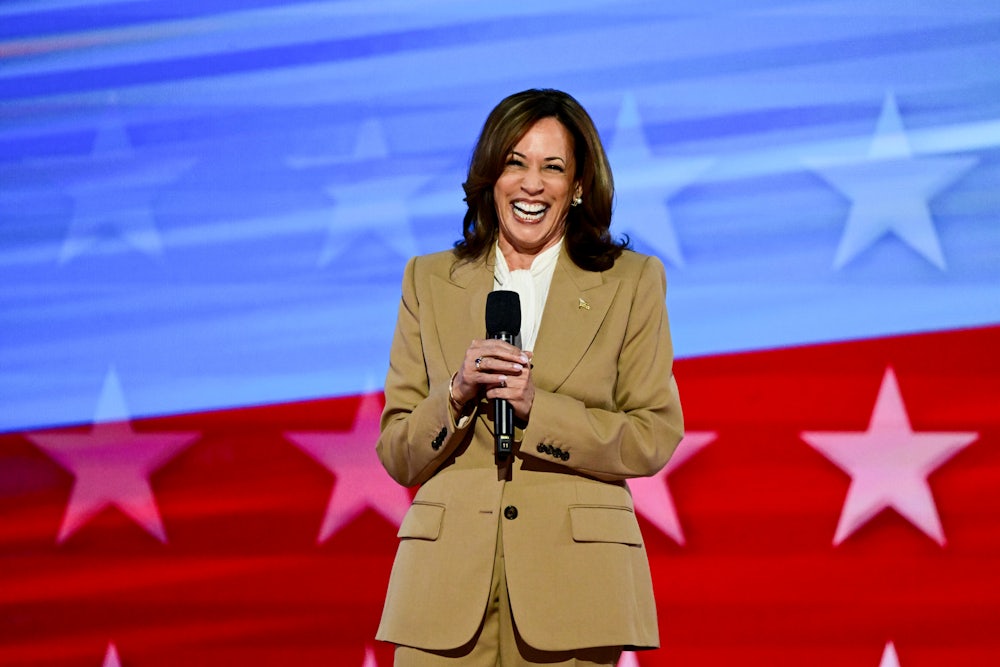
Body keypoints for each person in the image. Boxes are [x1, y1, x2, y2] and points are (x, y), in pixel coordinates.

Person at [375, 88, 684, 666]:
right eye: (515, 162)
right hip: (442, 593)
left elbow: (652, 435)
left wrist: (537, 409)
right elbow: (396, 452)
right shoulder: (428, 279)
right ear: (490, 175)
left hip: (573, 591)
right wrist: (457, 394)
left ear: (581, 185)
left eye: (553, 167)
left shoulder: (632, 281)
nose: (531, 184)